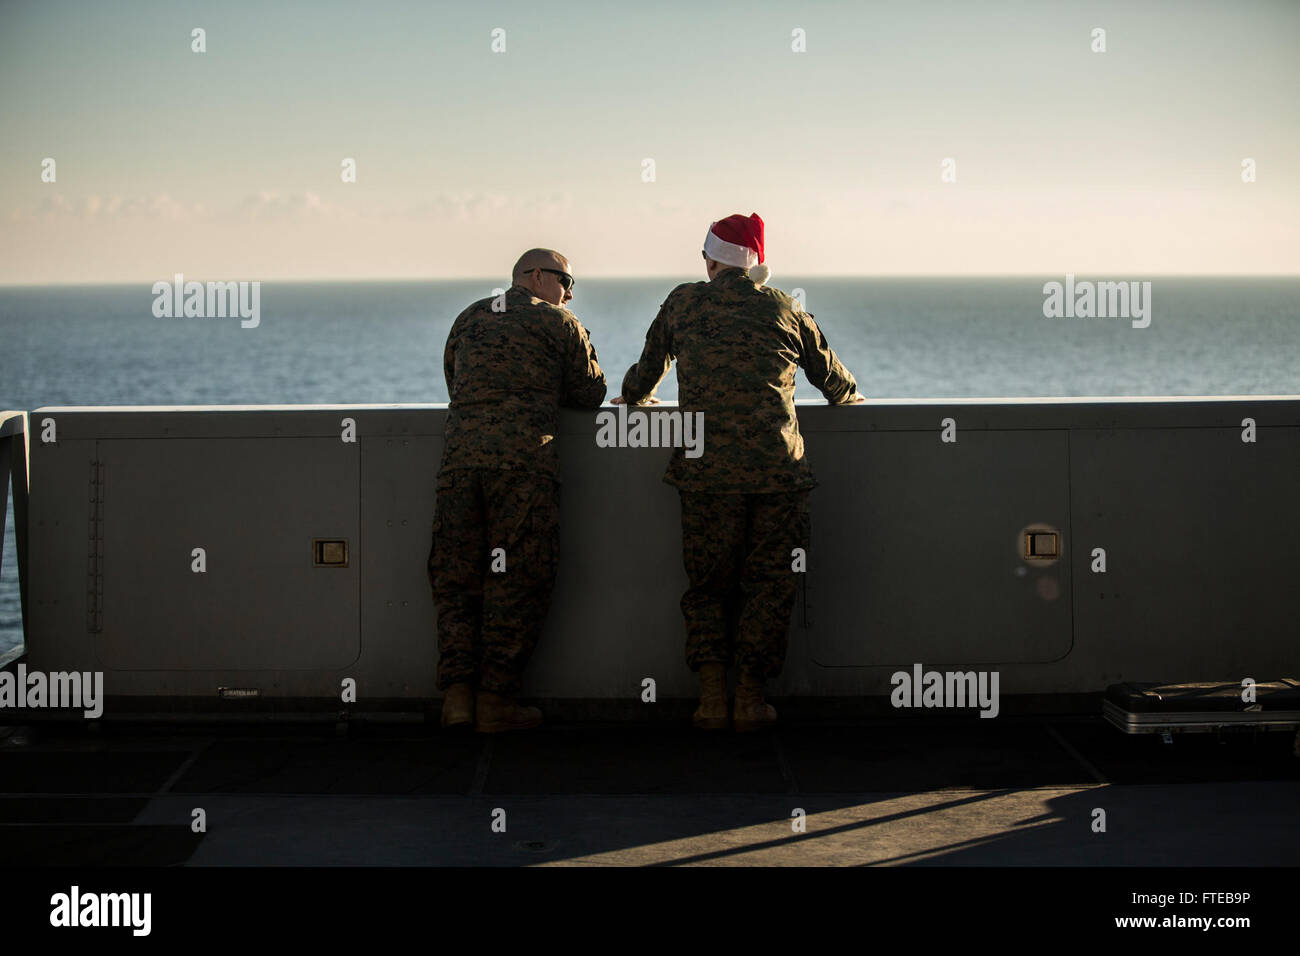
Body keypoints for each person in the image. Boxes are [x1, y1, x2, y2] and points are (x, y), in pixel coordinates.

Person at [615, 214, 864, 731]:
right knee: (770, 585)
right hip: (778, 473)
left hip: (706, 475)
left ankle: (710, 699)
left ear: (710, 260)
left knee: (708, 585)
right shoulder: (785, 307)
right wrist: (845, 394)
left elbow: (644, 373)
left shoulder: (682, 302)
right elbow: (834, 381)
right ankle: (750, 699)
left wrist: (635, 397)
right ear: (757, 266)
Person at [429, 249, 606, 732]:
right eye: (565, 280)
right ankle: (496, 701)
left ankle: (457, 700)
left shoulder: (469, 317)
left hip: (460, 464)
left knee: (457, 578)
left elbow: (454, 381)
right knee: (518, 579)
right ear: (534, 276)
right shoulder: (557, 323)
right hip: (524, 468)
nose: (569, 293)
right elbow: (590, 394)